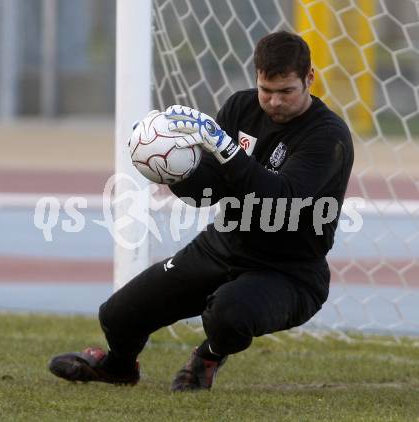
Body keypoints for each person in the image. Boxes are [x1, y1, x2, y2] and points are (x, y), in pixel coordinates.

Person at [49, 30, 354, 391]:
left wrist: (227, 149)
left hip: (289, 272)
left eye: (286, 91)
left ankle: (207, 356)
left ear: (309, 79)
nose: (273, 102)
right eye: (266, 90)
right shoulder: (241, 107)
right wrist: (173, 169)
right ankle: (118, 367)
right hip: (220, 247)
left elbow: (281, 198)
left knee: (228, 314)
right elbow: (206, 194)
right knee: (118, 315)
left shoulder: (328, 135)